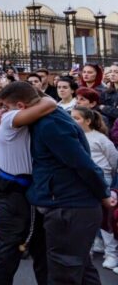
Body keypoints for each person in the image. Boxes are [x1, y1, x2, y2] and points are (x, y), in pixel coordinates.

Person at [20, 79, 112, 283]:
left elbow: (83, 164)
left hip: (68, 205)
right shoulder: (48, 120)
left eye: (8, 108)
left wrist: (103, 194)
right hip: (67, 202)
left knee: (65, 270)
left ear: (21, 106)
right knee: (80, 268)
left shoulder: (51, 124)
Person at [0, 87, 56, 285]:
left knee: (41, 249)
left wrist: (31, 91)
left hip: (24, 191)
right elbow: (50, 103)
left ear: (21, 106)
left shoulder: (15, 114)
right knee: (8, 251)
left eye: (3, 106)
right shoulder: (9, 118)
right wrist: (35, 91)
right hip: (13, 192)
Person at [71, 106, 118, 271]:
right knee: (85, 216)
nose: (72, 121)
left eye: (76, 118)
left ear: (88, 121)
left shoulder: (101, 139)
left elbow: (113, 162)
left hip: (101, 179)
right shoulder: (72, 137)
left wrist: (107, 181)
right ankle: (88, 248)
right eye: (71, 117)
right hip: (80, 180)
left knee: (106, 216)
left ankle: (111, 252)